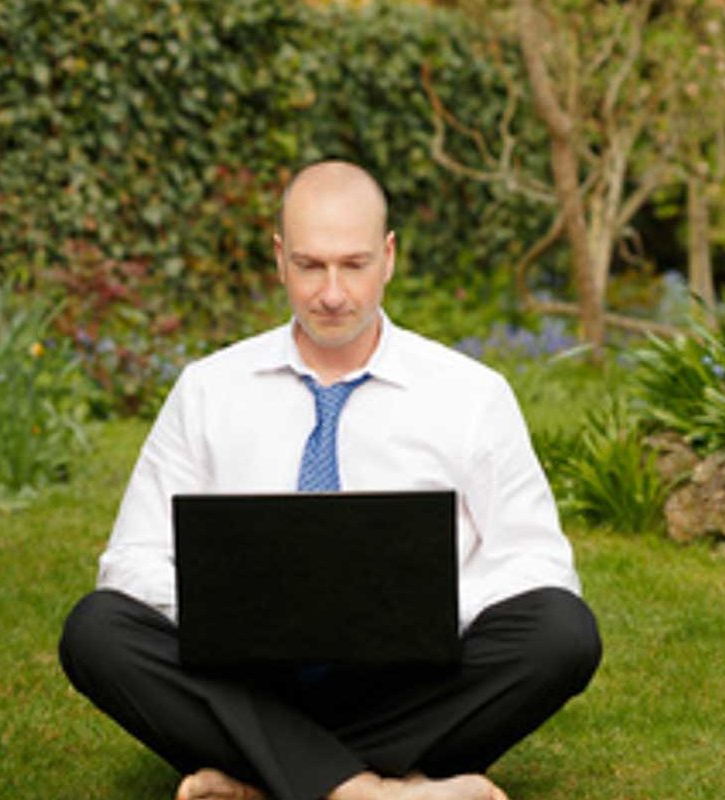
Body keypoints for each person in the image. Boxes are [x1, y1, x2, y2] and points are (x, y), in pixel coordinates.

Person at [59, 160, 601, 800]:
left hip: (413, 682)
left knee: (561, 633)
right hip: (250, 679)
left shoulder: (471, 394)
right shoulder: (208, 390)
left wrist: (425, 614)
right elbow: (129, 563)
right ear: (281, 259)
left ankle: (268, 775)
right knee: (96, 631)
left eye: (355, 264)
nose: (334, 292)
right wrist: (233, 609)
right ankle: (375, 791)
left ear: (389, 257)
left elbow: (540, 563)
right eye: (312, 266)